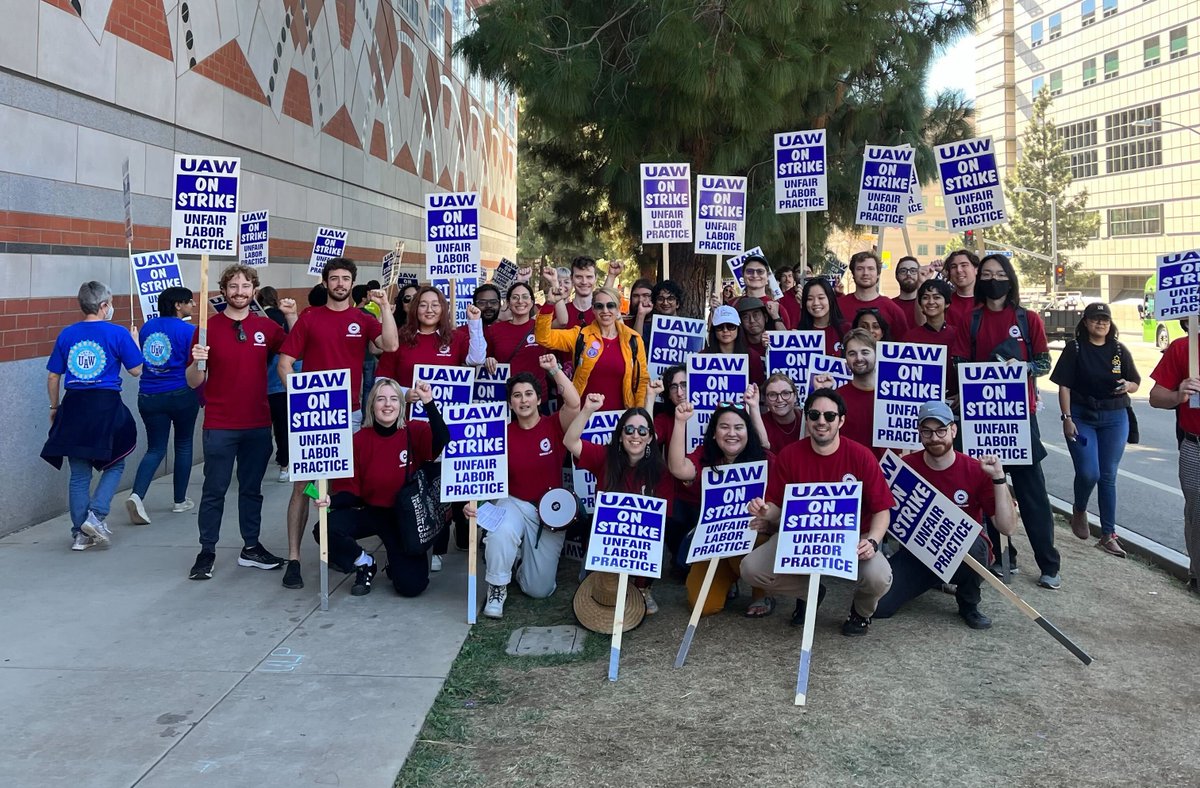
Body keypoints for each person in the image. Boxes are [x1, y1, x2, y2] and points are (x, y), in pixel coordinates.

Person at [276, 258, 399, 590]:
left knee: (348, 488)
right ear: (325, 282)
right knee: (303, 487)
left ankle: (345, 548)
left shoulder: (363, 318)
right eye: (335, 278)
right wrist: (301, 393)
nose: (340, 283)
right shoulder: (310, 318)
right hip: (312, 416)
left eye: (346, 278)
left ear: (352, 282)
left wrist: (385, 307)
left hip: (352, 414)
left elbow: (390, 345)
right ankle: (294, 559)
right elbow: (285, 364)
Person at [743, 388, 895, 636]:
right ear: (807, 419)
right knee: (751, 569)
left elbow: (882, 510)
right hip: (802, 537)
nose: (821, 421)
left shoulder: (861, 456)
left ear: (841, 420)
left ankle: (861, 613)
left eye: (829, 416)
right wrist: (764, 510)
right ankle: (810, 592)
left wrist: (873, 541)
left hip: (853, 538)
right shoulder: (790, 456)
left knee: (879, 576)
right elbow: (777, 509)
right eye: (814, 415)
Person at [960, 253, 1060, 589]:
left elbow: (1044, 363)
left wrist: (1019, 371)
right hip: (982, 420)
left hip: (1020, 417)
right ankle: (1006, 556)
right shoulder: (970, 320)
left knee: (1032, 493)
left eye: (999, 273)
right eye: (986, 274)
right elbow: (962, 365)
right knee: (988, 489)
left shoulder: (1028, 319)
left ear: (1010, 278)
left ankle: (1048, 562)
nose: (992, 279)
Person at [873, 401, 1015, 629]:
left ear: (953, 430)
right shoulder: (905, 468)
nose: (935, 437)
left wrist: (999, 478)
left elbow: (1007, 528)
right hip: (918, 553)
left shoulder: (975, 469)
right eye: (927, 432)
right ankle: (934, 580)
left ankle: (968, 602)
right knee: (878, 607)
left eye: (941, 430)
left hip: (964, 553)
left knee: (973, 544)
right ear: (919, 433)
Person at [185, 264, 288, 580]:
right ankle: (207, 551)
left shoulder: (267, 328)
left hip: (257, 422)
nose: (239, 292)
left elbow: (295, 349)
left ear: (254, 291)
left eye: (245, 286)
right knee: (214, 490)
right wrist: (198, 361)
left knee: (251, 489)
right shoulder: (206, 328)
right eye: (233, 286)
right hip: (219, 424)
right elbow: (192, 381)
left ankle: (251, 547)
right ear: (223, 290)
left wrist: (294, 315)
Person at [466, 356, 580, 618]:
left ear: (539, 399)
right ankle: (497, 587)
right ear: (510, 403)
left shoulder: (554, 425)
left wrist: (554, 370)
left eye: (529, 394)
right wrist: (475, 505)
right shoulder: (501, 433)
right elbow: (481, 476)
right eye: (517, 395)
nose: (524, 400)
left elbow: (574, 402)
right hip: (513, 502)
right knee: (500, 531)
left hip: (549, 512)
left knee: (539, 589)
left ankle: (518, 564)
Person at [312, 379, 448, 597]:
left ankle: (395, 562)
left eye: (394, 399)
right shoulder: (358, 441)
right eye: (381, 399)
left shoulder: (414, 430)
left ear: (401, 406)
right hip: (371, 512)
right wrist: (331, 501)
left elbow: (442, 439)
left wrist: (428, 402)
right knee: (325, 528)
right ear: (372, 405)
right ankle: (364, 562)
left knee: (412, 587)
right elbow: (351, 492)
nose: (387, 405)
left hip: (404, 517)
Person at [42, 281, 143, 551]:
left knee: (78, 472)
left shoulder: (67, 334)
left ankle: (80, 534)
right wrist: (135, 344)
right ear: (103, 306)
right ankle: (96, 516)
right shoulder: (118, 333)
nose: (111, 307)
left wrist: (54, 407)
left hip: (74, 404)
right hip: (105, 405)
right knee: (116, 462)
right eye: (110, 302)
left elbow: (54, 375)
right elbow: (136, 370)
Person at [565, 394, 676, 613]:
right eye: (629, 430)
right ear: (620, 435)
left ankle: (643, 589)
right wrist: (587, 409)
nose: (636, 435)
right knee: (599, 588)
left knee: (658, 546)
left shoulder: (661, 471)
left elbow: (663, 519)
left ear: (651, 438)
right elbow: (570, 442)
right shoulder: (605, 458)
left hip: (640, 542)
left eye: (643, 431)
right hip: (606, 541)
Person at [668, 397, 774, 616]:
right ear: (714, 434)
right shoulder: (705, 456)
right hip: (714, 540)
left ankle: (762, 594)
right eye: (724, 427)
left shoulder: (764, 459)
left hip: (754, 536)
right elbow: (679, 469)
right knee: (703, 606)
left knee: (758, 538)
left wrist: (769, 521)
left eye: (738, 427)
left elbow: (779, 503)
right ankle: (728, 580)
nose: (731, 433)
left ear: (748, 431)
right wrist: (680, 422)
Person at [1052, 303, 1140, 557]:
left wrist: (1128, 386)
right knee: (1089, 472)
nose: (1100, 324)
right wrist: (1067, 417)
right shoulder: (1075, 348)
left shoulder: (1119, 350)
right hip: (1082, 416)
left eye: (1105, 319)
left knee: (1108, 475)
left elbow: (1135, 382)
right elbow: (1064, 386)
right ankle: (1079, 509)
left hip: (1115, 415)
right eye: (1095, 319)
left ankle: (1108, 534)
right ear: (1086, 322)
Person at [123, 286, 199, 524]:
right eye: (189, 301)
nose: (193, 305)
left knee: (155, 448)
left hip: (149, 394)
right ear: (178, 305)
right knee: (184, 444)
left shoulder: (148, 327)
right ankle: (179, 500)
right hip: (181, 392)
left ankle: (137, 494)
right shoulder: (191, 331)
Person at [536, 285, 648, 409]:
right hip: (583, 417)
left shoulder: (633, 339)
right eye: (599, 306)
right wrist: (550, 303)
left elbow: (641, 381)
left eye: (610, 305)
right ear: (593, 310)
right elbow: (543, 337)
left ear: (618, 309)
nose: (605, 310)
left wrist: (638, 415)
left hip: (621, 419)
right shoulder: (580, 335)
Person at [1149, 325, 1200, 594]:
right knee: (1198, 516)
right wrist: (1179, 394)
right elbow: (1156, 397)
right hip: (1196, 446)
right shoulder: (1183, 348)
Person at [811, 328, 881, 458]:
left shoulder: (892, 396)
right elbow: (815, 439)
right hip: (847, 473)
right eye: (852, 353)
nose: (859, 358)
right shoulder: (836, 399)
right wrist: (820, 395)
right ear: (845, 358)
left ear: (877, 354)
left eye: (865, 352)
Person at [485, 282, 547, 401]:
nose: (520, 301)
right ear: (508, 303)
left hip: (536, 397)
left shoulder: (541, 327)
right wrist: (488, 360)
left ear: (532, 302)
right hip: (505, 396)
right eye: (515, 297)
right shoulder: (495, 330)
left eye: (525, 297)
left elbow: (563, 321)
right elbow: (486, 357)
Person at [258, 285, 293, 483]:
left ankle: (258, 464)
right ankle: (284, 465)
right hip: (280, 383)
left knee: (262, 430)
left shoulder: (258, 320)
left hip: (261, 385)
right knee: (282, 428)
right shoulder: (283, 318)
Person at [838, 251, 906, 335]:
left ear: (878, 274)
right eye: (860, 269)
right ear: (853, 274)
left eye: (871, 268)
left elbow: (903, 343)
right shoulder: (838, 306)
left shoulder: (893, 310)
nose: (865, 273)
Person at [791, 277, 849, 355]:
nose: (816, 303)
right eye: (810, 299)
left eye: (821, 298)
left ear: (830, 299)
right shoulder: (798, 332)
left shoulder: (847, 329)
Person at [730, 254, 789, 329]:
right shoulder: (732, 304)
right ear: (743, 276)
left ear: (767, 277)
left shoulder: (778, 308)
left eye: (760, 271)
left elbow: (786, 339)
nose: (755, 275)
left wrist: (776, 317)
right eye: (749, 271)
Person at [761, 373, 802, 453]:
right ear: (765, 400)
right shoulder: (760, 423)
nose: (779, 400)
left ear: (795, 396)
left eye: (786, 393)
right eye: (772, 395)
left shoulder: (807, 419)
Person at [735, 296, 772, 387]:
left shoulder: (777, 344)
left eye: (756, 315)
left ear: (766, 318)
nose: (752, 321)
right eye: (746, 317)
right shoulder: (738, 347)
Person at [942, 249, 978, 327]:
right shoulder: (943, 302)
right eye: (953, 266)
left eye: (964, 265)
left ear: (976, 269)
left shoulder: (988, 302)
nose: (958, 270)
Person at [891, 255, 920, 333]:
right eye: (903, 271)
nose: (908, 274)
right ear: (896, 276)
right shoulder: (889, 305)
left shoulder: (929, 305)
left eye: (913, 270)